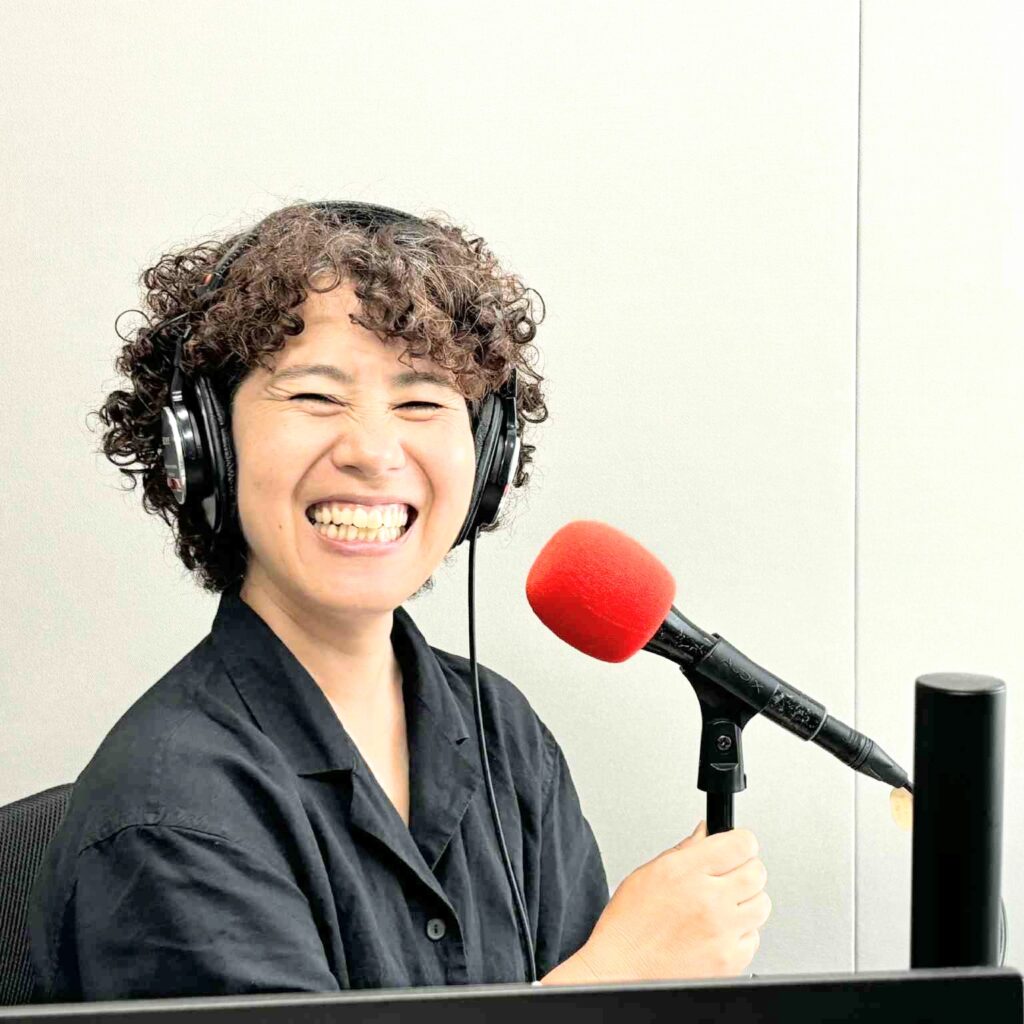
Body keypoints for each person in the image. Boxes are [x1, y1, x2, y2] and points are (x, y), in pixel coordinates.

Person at [27, 200, 770, 1003]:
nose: (375, 452)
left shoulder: (500, 732)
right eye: (315, 397)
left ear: (489, 462)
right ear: (204, 448)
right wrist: (617, 976)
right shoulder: (171, 807)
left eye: (421, 403)